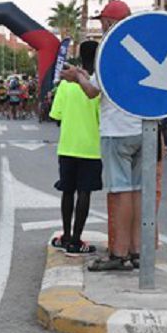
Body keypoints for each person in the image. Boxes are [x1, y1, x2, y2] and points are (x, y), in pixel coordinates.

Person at [60, 0, 141, 271]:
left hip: (117, 129)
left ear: (108, 22)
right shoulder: (139, 44)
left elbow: (94, 91)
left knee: (120, 192)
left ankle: (119, 254)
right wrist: (85, 75)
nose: (101, 26)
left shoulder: (110, 48)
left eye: (102, 21)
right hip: (143, 128)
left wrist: (76, 78)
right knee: (138, 191)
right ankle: (137, 249)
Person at [49, 40, 102, 256]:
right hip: (91, 147)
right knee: (84, 193)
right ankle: (77, 240)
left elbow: (56, 116)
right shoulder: (97, 84)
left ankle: (66, 235)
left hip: (67, 146)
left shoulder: (66, 84)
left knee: (67, 191)